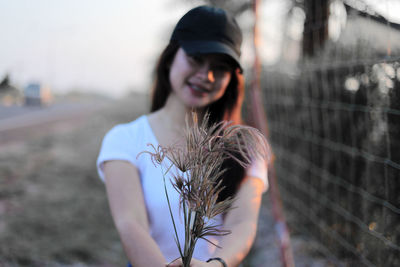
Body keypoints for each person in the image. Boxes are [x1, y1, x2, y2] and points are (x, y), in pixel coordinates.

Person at [97, 6, 269, 267]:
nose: (206, 76)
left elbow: (243, 223)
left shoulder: (244, 148)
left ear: (231, 79)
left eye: (220, 68)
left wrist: (216, 265)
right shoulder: (125, 139)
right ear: (169, 58)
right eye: (196, 59)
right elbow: (130, 224)